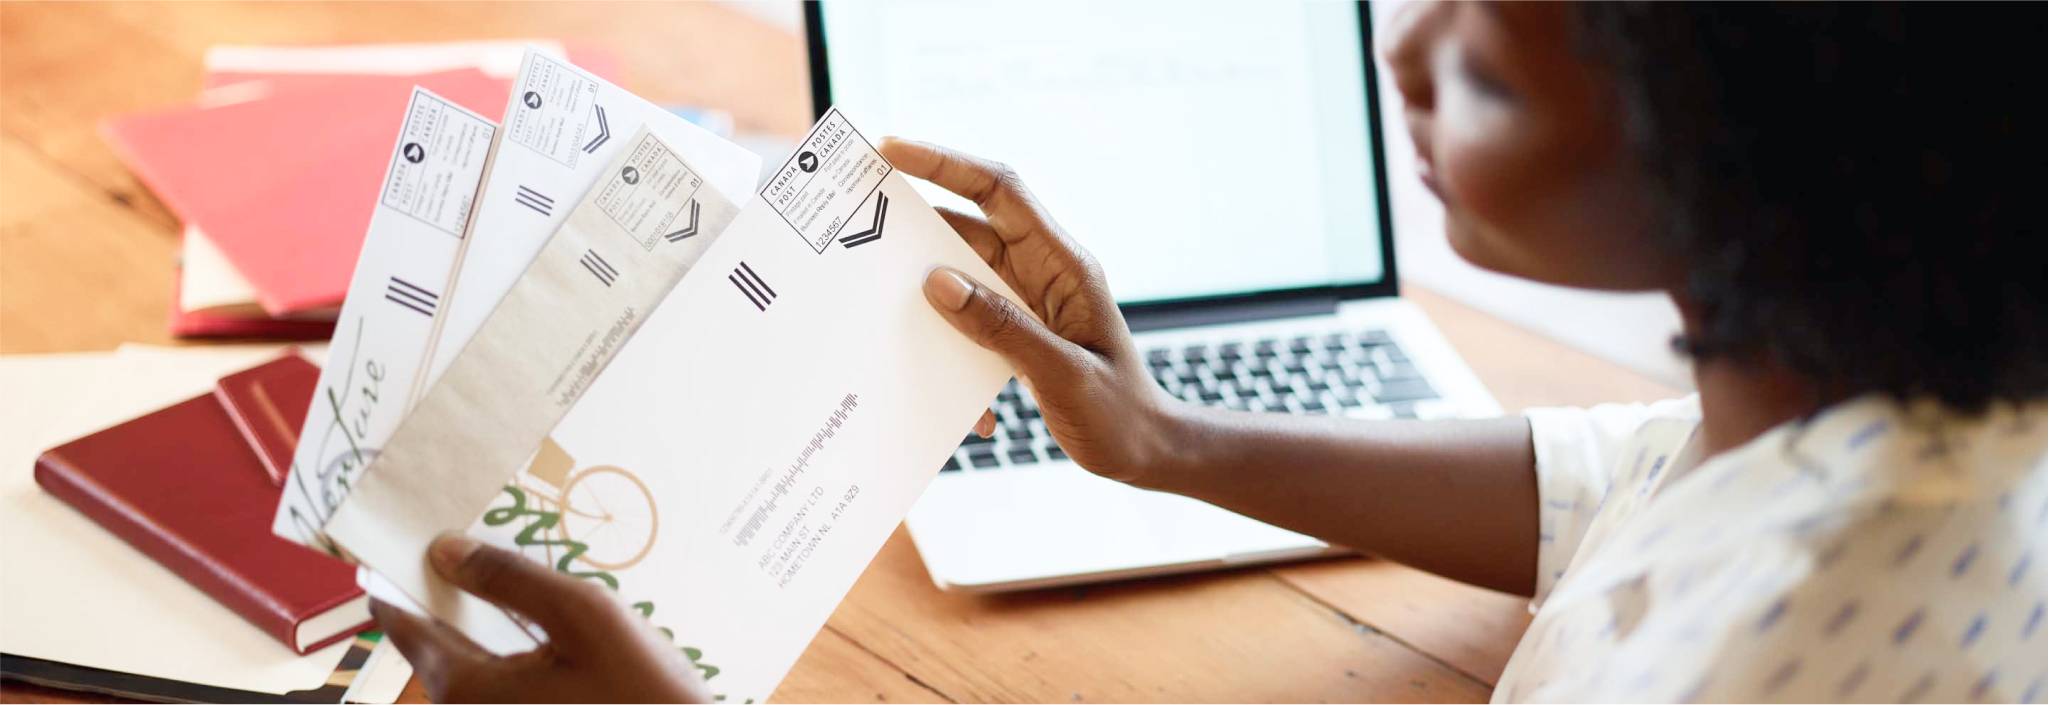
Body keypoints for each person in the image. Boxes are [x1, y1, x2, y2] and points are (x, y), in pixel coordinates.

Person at [370, 2, 2046, 702]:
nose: (1402, 53)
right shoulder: (1859, 393)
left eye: (1488, 72)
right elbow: (1623, 481)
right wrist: (1168, 441)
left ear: (1752, 167)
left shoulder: (1772, 649)